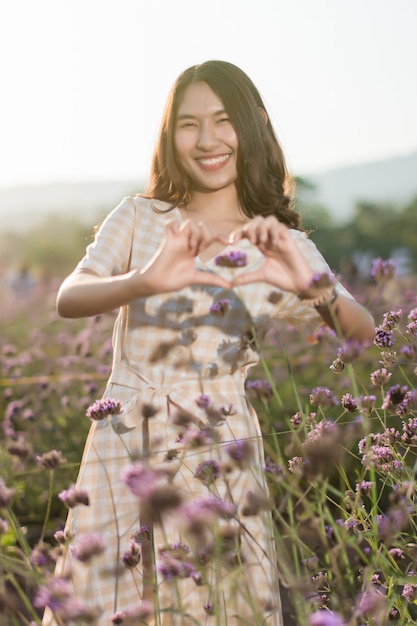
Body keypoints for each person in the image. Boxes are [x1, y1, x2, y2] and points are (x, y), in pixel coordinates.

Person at [44, 60, 375, 626]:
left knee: (218, 604)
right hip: (127, 434)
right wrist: (145, 279)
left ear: (253, 126)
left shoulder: (282, 241)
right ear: (170, 136)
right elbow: (71, 295)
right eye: (188, 124)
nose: (207, 140)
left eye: (223, 120)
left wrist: (309, 285)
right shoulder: (142, 216)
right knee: (106, 600)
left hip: (220, 444)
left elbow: (363, 332)